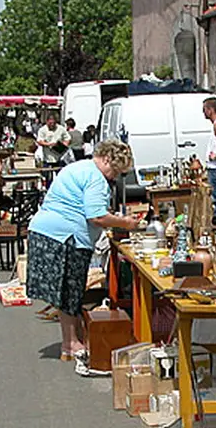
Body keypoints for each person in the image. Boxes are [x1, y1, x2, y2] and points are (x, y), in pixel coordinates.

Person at [26, 139, 140, 372]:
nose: (115, 177)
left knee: (68, 291)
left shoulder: (80, 167)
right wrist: (126, 223)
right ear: (107, 160)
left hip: (48, 231)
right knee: (70, 291)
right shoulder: (96, 178)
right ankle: (71, 344)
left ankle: (75, 337)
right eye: (116, 171)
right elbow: (96, 216)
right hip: (65, 236)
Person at [36, 114, 71, 186]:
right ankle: (48, 190)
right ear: (47, 122)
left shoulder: (61, 128)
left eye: (53, 123)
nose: (52, 125)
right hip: (47, 158)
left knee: (61, 176)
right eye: (50, 123)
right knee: (48, 177)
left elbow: (67, 138)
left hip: (59, 157)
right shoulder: (42, 130)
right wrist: (49, 144)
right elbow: (39, 141)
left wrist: (63, 146)